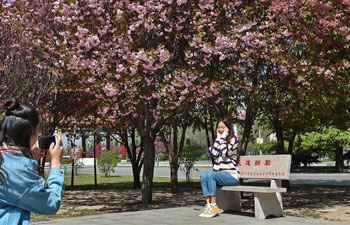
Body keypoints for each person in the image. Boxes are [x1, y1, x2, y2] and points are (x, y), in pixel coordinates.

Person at [0, 98, 64, 225]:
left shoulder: (6, 163)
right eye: (37, 134)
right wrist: (56, 165)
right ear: (30, 134)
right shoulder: (16, 171)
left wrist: (28, 158)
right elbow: (50, 204)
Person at [199, 118, 239, 218]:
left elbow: (225, 154)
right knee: (204, 175)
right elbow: (213, 153)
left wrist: (222, 139)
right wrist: (218, 139)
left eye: (223, 127)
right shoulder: (219, 139)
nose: (220, 129)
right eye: (219, 127)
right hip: (219, 175)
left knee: (211, 175)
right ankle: (209, 206)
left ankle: (214, 206)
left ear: (228, 128)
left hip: (231, 177)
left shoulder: (234, 139)